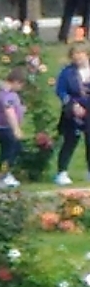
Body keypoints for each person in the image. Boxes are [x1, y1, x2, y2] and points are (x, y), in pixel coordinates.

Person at [56, 45, 90, 184]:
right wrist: (72, 105)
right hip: (73, 109)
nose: (78, 57)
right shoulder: (66, 72)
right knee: (70, 141)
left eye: (81, 53)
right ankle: (62, 172)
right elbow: (61, 91)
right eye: (75, 54)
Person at [0, 68, 26, 188]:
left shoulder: (3, 92)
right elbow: (9, 111)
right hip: (5, 127)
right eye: (21, 85)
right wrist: (16, 129)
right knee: (9, 151)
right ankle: (4, 176)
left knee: (11, 149)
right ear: (16, 82)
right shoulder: (7, 94)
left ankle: (5, 174)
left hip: (2, 126)